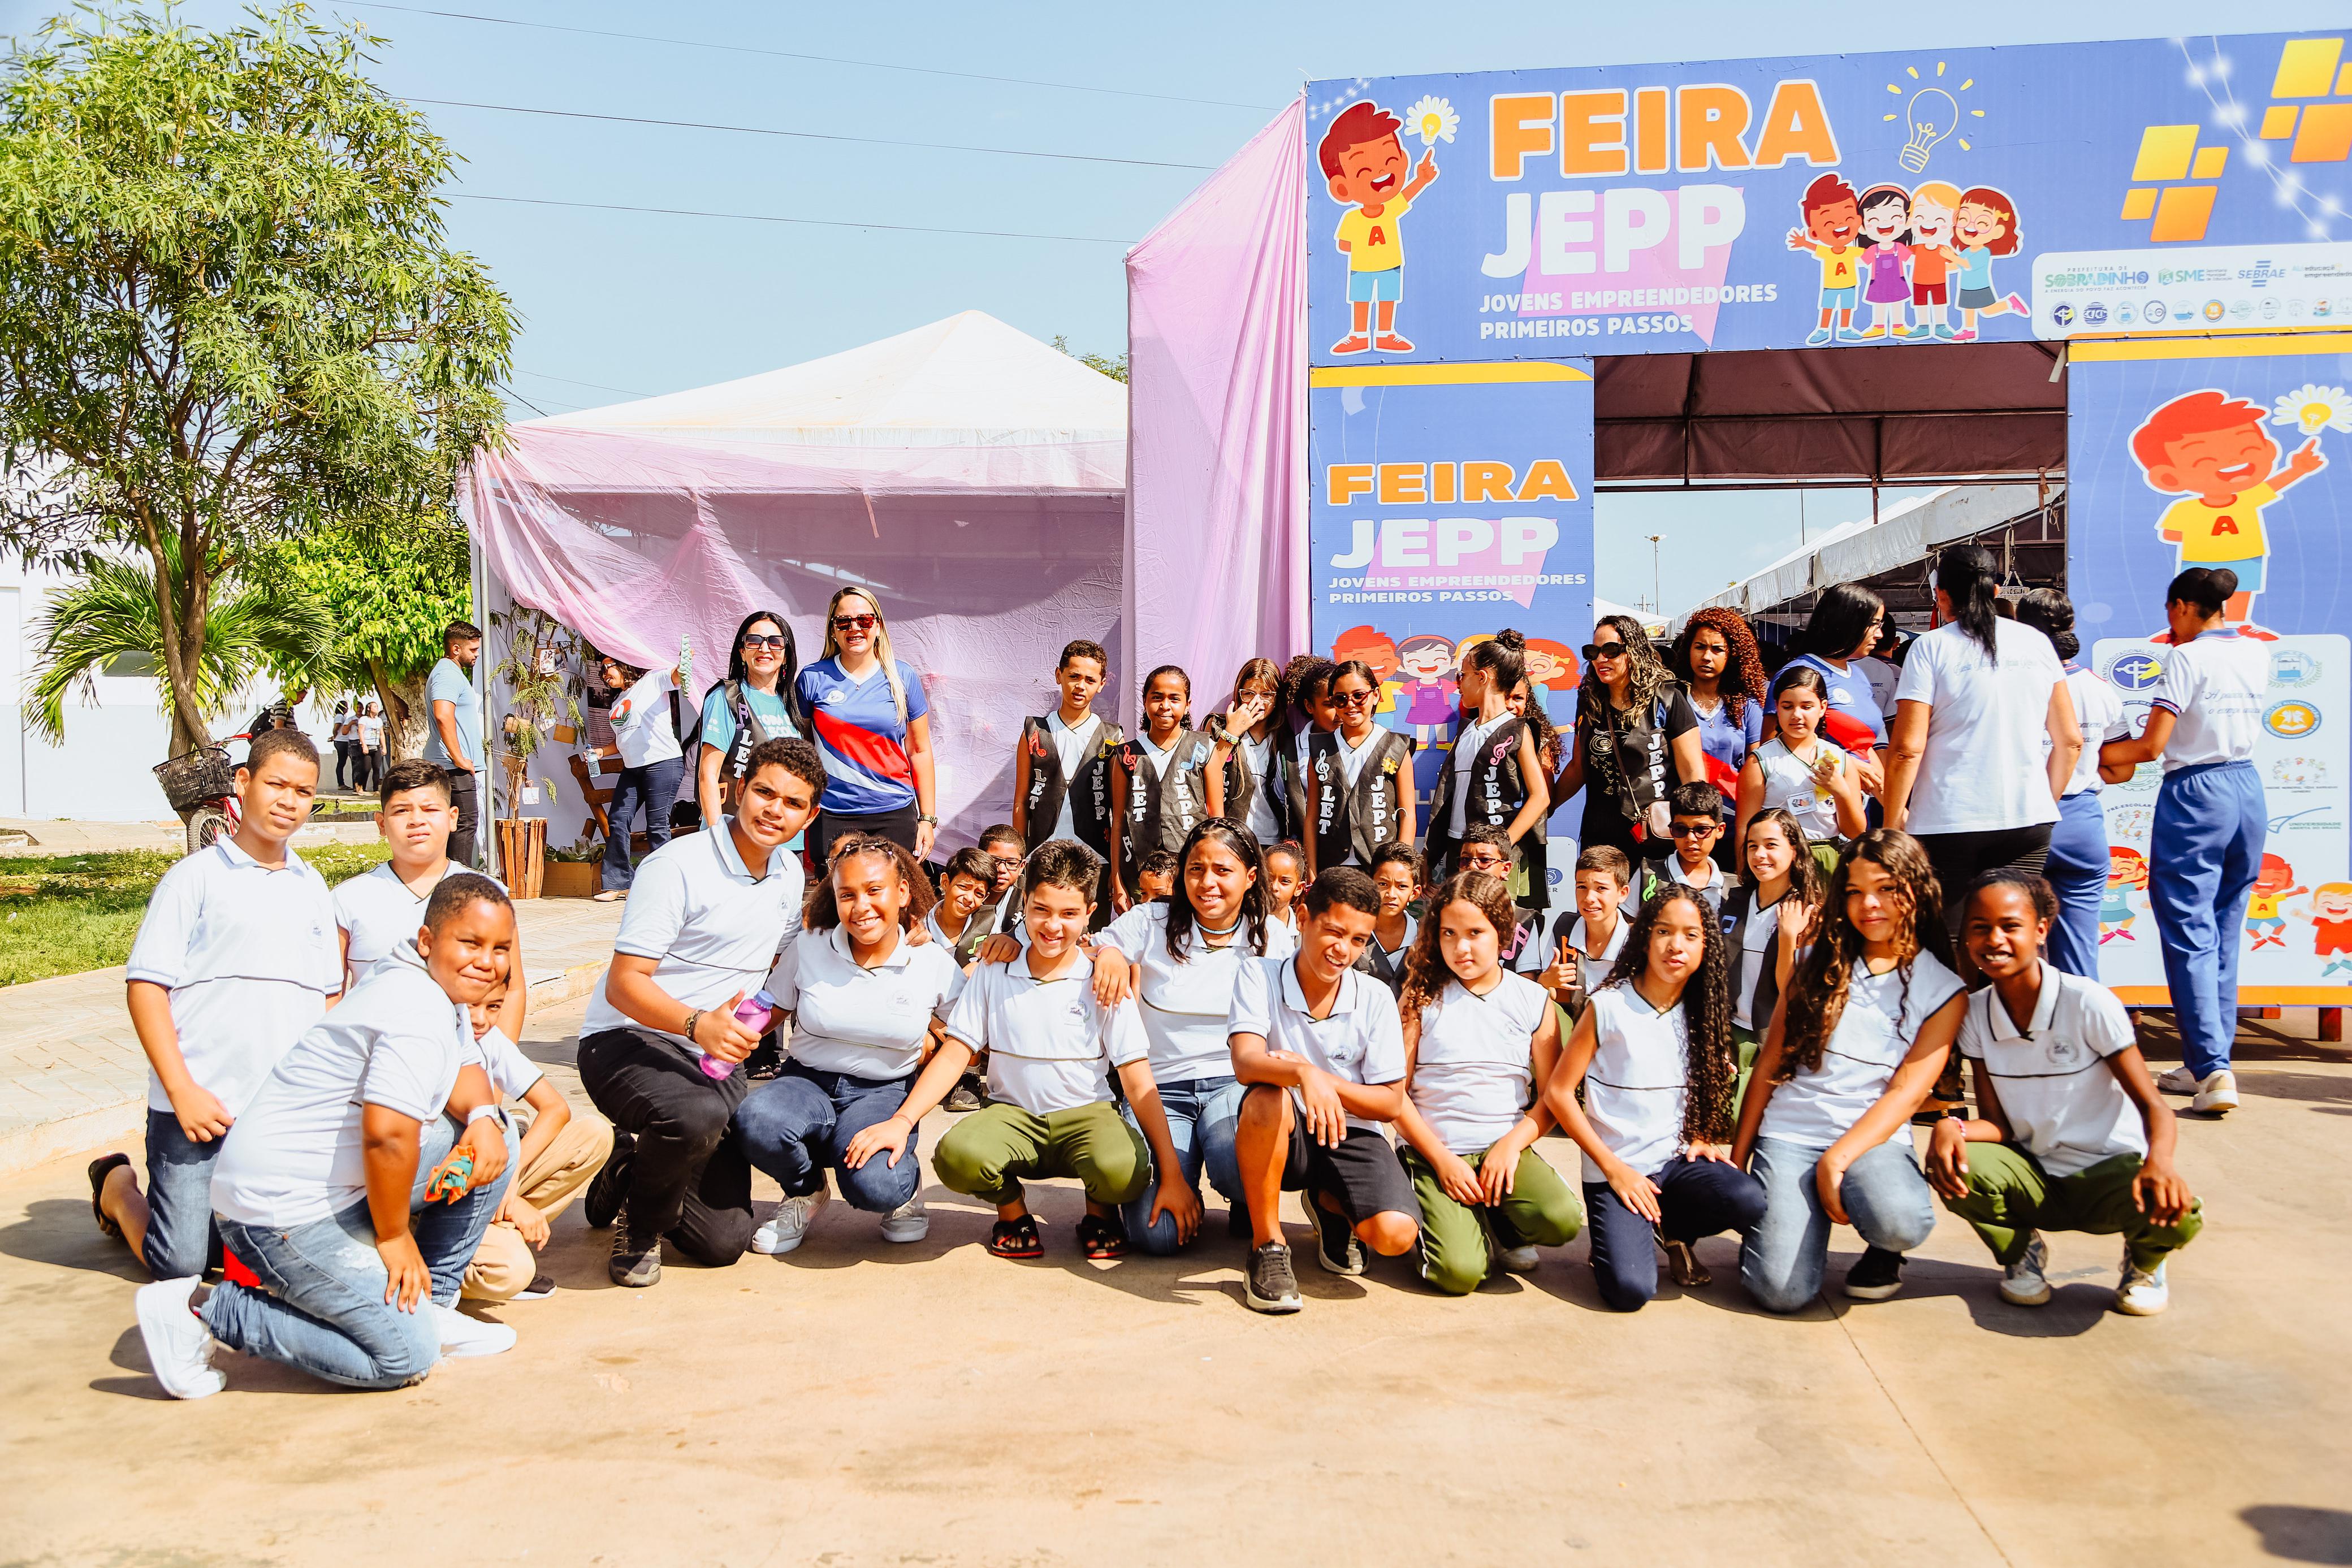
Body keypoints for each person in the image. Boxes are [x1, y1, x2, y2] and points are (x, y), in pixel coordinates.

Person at [133, 874, 520, 1398]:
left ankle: (432, 1303)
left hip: (320, 1186)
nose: (488, 961)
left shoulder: (422, 977)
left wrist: (481, 1119)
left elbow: (467, 1068)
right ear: (428, 941)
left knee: (496, 1135)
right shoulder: (417, 1008)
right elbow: (388, 1136)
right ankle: (205, 1312)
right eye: (471, 943)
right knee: (406, 1355)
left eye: (500, 948)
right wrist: (394, 1237)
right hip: (279, 1215)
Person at [847, 841, 1185, 1261]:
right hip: (1011, 1116)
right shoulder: (995, 967)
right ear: (1025, 902)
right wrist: (901, 1121)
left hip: (1086, 1114)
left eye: (1069, 914)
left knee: (1127, 1170)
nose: (1053, 926)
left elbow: (1136, 1076)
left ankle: (1099, 1213)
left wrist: (1172, 1171)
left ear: (1090, 912)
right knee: (956, 1157)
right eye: (1041, 910)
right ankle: (1012, 1213)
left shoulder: (1103, 978)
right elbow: (956, 1052)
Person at [90, 730, 343, 1282]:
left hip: (274, 1117)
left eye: (303, 791)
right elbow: (146, 988)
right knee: (180, 1262)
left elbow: (329, 999)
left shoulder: (312, 887)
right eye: (276, 783)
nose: (288, 800)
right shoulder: (194, 879)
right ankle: (116, 1185)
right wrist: (181, 1090)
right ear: (243, 782)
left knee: (250, 1256)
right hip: (196, 1110)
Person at [576, 737, 824, 1287]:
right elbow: (623, 986)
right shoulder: (676, 865)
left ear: (810, 815)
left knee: (722, 1241)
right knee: (693, 1115)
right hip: (626, 1038)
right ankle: (639, 1229)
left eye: (791, 802)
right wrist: (697, 1023)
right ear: (739, 788)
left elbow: (783, 962)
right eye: (763, 791)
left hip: (711, 1057)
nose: (773, 809)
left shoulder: (786, 876)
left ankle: (628, 1165)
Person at [1927, 871, 2202, 1315]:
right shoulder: (1976, 1014)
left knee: (2176, 1206)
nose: (1994, 939)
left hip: (2109, 1176)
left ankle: (2146, 1263)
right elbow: (1998, 1125)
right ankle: (2022, 1254)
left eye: (2010, 926)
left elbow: (2154, 1105)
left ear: (2040, 930)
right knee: (1956, 1163)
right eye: (1980, 927)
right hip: (2037, 1177)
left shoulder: (2088, 1002)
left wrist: (2161, 1163)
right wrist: (1951, 1127)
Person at [1733, 830, 1966, 1311]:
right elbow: (1769, 1066)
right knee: (1780, 1292)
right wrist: (1738, 1160)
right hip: (1791, 1134)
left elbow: (1906, 1093)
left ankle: (1884, 1249)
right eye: (1855, 892)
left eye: (1885, 888)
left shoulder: (1943, 989)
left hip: (1871, 1139)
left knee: (1901, 1219)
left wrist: (1836, 1161)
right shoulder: (1813, 962)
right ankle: (1789, 1214)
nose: (1870, 904)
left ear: (1916, 889)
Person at [1072, 820, 1297, 1254]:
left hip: (1237, 1087)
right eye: (1195, 869)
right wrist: (1111, 952)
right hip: (1160, 1093)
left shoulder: (1273, 934)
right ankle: (1181, 1181)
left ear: (1251, 878)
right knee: (1156, 1238)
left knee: (1235, 1163)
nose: (1207, 883)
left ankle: (1244, 1197)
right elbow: (1080, 946)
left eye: (1223, 871)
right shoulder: (1151, 919)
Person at [736, 835, 960, 1257]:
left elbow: (970, 1035)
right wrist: (718, 1040)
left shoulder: (931, 962)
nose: (861, 907)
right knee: (757, 1122)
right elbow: (771, 1006)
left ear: (903, 892)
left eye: (875, 891)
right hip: (807, 1083)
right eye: (847, 895)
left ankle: (902, 1193)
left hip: (884, 1092)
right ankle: (804, 1191)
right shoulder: (811, 946)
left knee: (877, 1186)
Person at [2096, 567, 2268, 1117]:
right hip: (2245, 787)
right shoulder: (2253, 652)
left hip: (2195, 792)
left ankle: (2212, 1065)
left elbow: (2149, 747)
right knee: (2223, 928)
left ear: (2179, 606)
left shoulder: (2185, 657)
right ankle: (2205, 1060)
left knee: (2187, 929)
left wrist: (2095, 756)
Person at [1546, 886, 1766, 1310]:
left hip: (1674, 1165)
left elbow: (1702, 1081)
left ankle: (1673, 1227)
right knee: (1630, 1291)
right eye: (1664, 931)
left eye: (1691, 935)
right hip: (1618, 1170)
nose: (1676, 946)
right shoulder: (1608, 1005)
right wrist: (1613, 1169)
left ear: (1706, 946)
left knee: (1747, 1199)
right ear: (1645, 936)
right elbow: (1558, 1093)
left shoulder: (1703, 1008)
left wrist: (1700, 1135)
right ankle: (1619, 1229)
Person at [1227, 867, 1419, 1314]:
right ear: (1302, 918)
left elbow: (1390, 1101)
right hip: (1285, 1130)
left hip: (1351, 1133)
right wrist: (1303, 1077)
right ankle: (1267, 1246)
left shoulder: (1373, 996)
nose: (1344, 950)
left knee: (1395, 1236)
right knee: (1264, 1096)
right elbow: (1245, 1062)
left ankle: (1330, 1203)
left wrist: (1318, 1076)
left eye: (1358, 940)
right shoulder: (1258, 974)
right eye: (1334, 931)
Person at [1391, 870, 1584, 1294]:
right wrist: (1442, 1161)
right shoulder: (1420, 996)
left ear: (1503, 933)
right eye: (1449, 933)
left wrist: (1510, 1148)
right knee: (1459, 1274)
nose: (1461, 947)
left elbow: (1551, 1098)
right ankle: (1447, 1221)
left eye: (1475, 933)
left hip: (1503, 1150)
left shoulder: (1533, 1000)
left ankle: (1498, 1219)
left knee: (1561, 1221)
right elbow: (1396, 1097)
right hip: (1434, 1153)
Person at [1882, 545, 2082, 930]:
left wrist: (1893, 824)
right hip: (2027, 819)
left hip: (1947, 818)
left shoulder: (1929, 648)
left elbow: (1907, 748)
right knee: (2012, 937)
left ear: (1941, 596)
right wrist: (2043, 800)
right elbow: (2070, 740)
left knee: (1949, 943)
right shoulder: (2037, 643)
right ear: (1995, 592)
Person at [459, 984, 615, 1306]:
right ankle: (441, 1274)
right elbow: (431, 1163)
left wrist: (511, 1176)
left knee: (595, 1135)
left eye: (493, 1007)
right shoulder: (433, 1045)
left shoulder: (488, 1039)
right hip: (436, 1199)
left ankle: (497, 1236)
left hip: (481, 1178)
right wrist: (511, 1201)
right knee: (513, 1271)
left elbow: (556, 1108)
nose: (480, 1019)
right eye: (471, 1005)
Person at [334, 760, 522, 1025]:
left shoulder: (488, 896)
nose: (417, 821)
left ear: (452, 818)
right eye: (401, 811)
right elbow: (331, 994)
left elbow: (511, 988)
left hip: (465, 1060)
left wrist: (498, 1063)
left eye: (430, 809)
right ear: (381, 823)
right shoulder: (348, 899)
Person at [2014, 589, 2129, 980]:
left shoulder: (2015, 685)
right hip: (2083, 821)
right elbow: (2122, 769)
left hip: (2025, 818)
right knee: (2079, 954)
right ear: (2072, 626)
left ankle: (2022, 1034)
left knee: (2013, 942)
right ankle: (2081, 1038)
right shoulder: (2100, 688)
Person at [795, 587, 939, 861]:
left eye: (864, 620)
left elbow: (920, 750)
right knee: (838, 903)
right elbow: (803, 751)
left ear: (878, 626)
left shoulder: (903, 676)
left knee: (893, 903)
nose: (855, 628)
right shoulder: (812, 678)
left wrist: (928, 819)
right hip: (833, 815)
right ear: (833, 629)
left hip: (895, 815)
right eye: (844, 621)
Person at [1549, 615, 1706, 866]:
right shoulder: (1590, 701)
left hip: (1654, 834)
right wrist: (1545, 808)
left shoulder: (1667, 698)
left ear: (1633, 650)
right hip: (1601, 836)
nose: (1601, 659)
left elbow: (1693, 773)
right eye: (1593, 652)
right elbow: (1579, 768)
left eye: (1611, 650)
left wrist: (1695, 829)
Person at [1422, 632, 1548, 887]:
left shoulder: (1517, 729)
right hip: (1460, 850)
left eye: (1463, 676)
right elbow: (1448, 797)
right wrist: (1428, 855)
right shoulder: (1466, 730)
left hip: (1492, 858)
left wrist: (1501, 847)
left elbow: (1540, 797)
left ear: (1481, 678)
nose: (1458, 684)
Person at [1737, 666, 1867, 870]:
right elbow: (1745, 828)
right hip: (1779, 862)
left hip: (1827, 860)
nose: (1797, 715)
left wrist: (1840, 792)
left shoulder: (1840, 759)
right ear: (1777, 707)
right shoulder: (1761, 762)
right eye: (1788, 706)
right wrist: (1745, 874)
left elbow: (1856, 831)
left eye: (1807, 707)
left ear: (1823, 707)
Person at [1762, 584, 1890, 794]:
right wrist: (1845, 765)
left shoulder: (1858, 675)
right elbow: (1770, 748)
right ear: (1850, 622)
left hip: (1859, 808)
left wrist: (1891, 805)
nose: (1880, 634)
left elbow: (1864, 746)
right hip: (1810, 806)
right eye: (1875, 624)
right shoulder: (1798, 673)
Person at [1721, 808, 1820, 1071]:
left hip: (1774, 1041)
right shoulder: (1735, 900)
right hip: (1726, 1034)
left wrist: (1788, 936)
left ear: (1795, 851)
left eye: (1771, 845)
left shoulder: (1809, 912)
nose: (1759, 855)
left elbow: (1792, 992)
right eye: (1752, 846)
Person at [1109, 665, 1215, 913]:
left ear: (1187, 704)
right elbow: (1117, 821)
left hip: (1191, 864)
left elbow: (1215, 816)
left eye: (1174, 698)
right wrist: (1116, 879)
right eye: (1157, 697)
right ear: (1145, 701)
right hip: (1138, 869)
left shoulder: (1203, 747)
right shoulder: (1126, 754)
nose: (1165, 705)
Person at [1014, 640, 1124, 873]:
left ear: (1102, 684)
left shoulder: (1113, 737)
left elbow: (1119, 809)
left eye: (1090, 680)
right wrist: (1019, 856)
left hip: (1096, 859)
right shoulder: (1034, 732)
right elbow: (1021, 801)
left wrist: (1116, 870)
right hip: (1040, 855)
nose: (1080, 686)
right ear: (1059, 675)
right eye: (1074, 676)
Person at [1304, 658, 1417, 877]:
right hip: (1331, 867)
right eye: (1340, 699)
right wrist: (1311, 871)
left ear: (1376, 695)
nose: (1350, 705)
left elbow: (1408, 814)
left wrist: (1401, 867)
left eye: (1359, 696)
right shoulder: (1320, 749)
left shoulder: (1396, 746)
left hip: (1380, 868)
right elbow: (1312, 816)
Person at [591, 651, 690, 903]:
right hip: (633, 768)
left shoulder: (651, 681)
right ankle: (619, 883)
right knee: (617, 819)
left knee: (657, 825)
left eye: (608, 667)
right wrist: (603, 751)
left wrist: (683, 663)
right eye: (601, 671)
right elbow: (623, 738)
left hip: (662, 763)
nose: (604, 675)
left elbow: (676, 676)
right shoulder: (617, 702)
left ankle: (664, 888)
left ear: (624, 665)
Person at [695, 609, 805, 834]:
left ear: (786, 655)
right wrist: (719, 836)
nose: (764, 649)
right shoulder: (727, 697)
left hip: (786, 835)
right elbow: (708, 774)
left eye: (775, 642)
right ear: (743, 652)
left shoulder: (791, 704)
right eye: (754, 641)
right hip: (737, 833)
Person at [1671, 609, 1769, 824]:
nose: (1707, 656)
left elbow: (1758, 766)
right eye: (1700, 647)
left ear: (1732, 655)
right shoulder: (1671, 700)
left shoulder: (1748, 705)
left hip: (1735, 819)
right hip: (1685, 824)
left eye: (1717, 650)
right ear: (1688, 649)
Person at [1537, 844, 1635, 1021]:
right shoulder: (1564, 927)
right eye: (1582, 887)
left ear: (1623, 893)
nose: (1589, 898)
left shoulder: (1637, 941)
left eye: (1601, 889)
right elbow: (1550, 996)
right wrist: (1545, 982)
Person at [1204, 657, 1291, 848]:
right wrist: (1232, 732)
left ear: (1277, 698)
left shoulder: (1284, 736)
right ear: (1238, 694)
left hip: (1274, 842)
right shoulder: (1217, 726)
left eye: (1267, 694)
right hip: (1231, 839)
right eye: (1249, 693)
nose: (1257, 701)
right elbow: (1205, 775)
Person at [424, 621, 484, 867]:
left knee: (455, 825)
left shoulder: (451, 673)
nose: (477, 655)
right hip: (451, 767)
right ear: (456, 649)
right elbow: (442, 715)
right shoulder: (448, 674)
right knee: (464, 824)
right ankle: (458, 888)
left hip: (452, 765)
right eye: (473, 650)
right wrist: (458, 757)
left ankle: (450, 883)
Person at [1650, 781, 1731, 915]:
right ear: (1671, 830)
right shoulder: (1648, 875)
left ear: (1720, 830)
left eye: (1701, 830)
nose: (1691, 838)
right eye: (1681, 829)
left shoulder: (1734, 888)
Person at [1357, 842, 1424, 995]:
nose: (1391, 894)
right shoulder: (1354, 935)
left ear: (1414, 893)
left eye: (1401, 887)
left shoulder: (1425, 938)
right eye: (1383, 884)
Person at [927, 847, 1002, 965]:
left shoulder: (988, 923)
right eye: (963, 887)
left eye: (979, 893)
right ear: (945, 882)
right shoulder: (920, 925)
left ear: (985, 897)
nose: (969, 898)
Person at [1263, 840, 1305, 935]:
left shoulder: (1304, 934)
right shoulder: (1245, 927)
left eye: (1285, 881)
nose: (1274, 887)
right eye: (1268, 879)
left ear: (1299, 888)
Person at [357, 701, 386, 793]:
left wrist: (384, 747)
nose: (377, 708)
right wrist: (364, 745)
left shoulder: (379, 720)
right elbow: (360, 732)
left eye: (377, 706)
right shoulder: (364, 719)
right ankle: (360, 784)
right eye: (375, 707)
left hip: (376, 746)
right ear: (369, 709)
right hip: (367, 745)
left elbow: (382, 734)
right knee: (366, 768)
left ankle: (376, 789)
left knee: (377, 768)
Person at [330, 701, 358, 792]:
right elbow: (336, 728)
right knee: (342, 763)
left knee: (343, 762)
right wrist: (335, 736)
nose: (347, 709)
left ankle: (345, 784)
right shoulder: (340, 717)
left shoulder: (343, 717)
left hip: (343, 741)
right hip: (342, 742)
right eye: (346, 707)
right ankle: (341, 784)